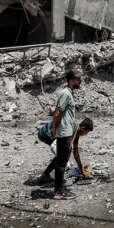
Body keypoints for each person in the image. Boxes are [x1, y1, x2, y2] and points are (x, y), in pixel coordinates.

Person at [39, 68, 83, 200]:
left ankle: (58, 190)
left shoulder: (69, 93)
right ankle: (58, 192)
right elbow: (57, 113)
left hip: (66, 131)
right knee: (61, 163)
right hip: (64, 132)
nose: (80, 82)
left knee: (61, 161)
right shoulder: (66, 94)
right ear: (71, 81)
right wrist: (54, 128)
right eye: (78, 80)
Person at [37, 116, 93, 185]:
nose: (86, 134)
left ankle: (46, 175)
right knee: (63, 155)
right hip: (45, 133)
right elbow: (74, 152)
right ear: (83, 128)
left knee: (63, 152)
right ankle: (57, 182)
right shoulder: (72, 128)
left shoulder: (76, 129)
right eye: (86, 132)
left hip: (47, 133)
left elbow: (76, 152)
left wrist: (81, 169)